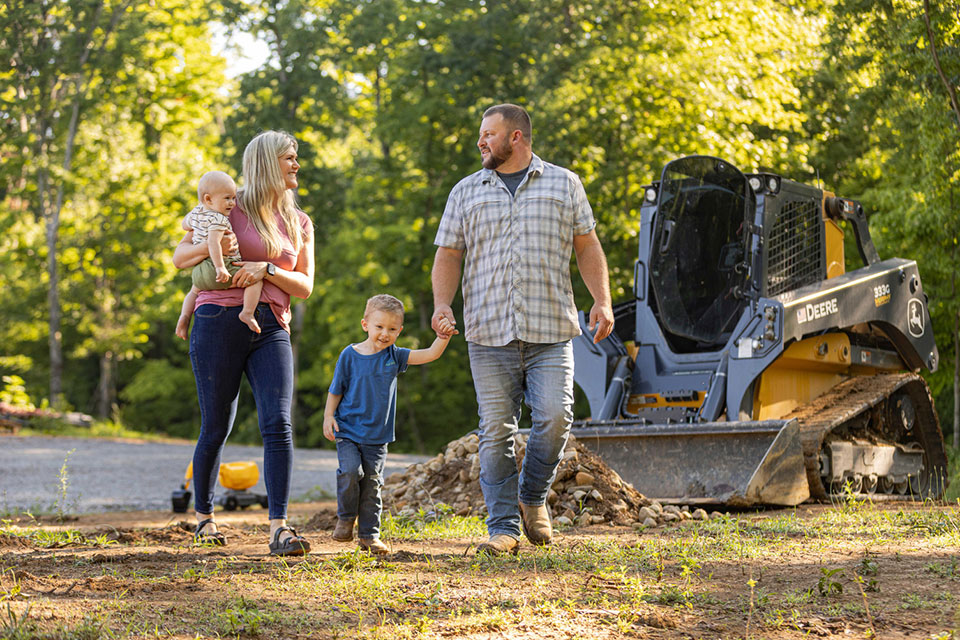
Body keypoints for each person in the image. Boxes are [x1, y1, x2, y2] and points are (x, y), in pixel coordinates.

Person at [431, 103, 614, 555]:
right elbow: (449, 253)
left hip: (550, 327)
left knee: (555, 418)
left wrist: (602, 299)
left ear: (516, 137)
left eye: (488, 135)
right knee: (495, 431)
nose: (481, 142)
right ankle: (503, 528)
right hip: (487, 330)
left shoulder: (564, 183)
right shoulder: (466, 191)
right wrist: (441, 304)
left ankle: (532, 498)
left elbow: (587, 245)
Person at [172, 130, 315, 556]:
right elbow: (181, 258)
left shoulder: (299, 221)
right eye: (290, 157)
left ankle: (279, 528)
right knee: (216, 424)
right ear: (269, 161)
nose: (296, 165)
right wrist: (212, 251)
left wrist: (265, 268)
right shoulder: (227, 202)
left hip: (271, 323)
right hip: (218, 318)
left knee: (279, 423)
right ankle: (204, 519)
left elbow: (304, 285)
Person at [323, 294, 455, 554]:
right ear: (365, 325)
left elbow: (429, 355)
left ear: (400, 331)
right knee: (351, 472)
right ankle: (346, 518)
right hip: (347, 430)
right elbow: (336, 389)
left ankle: (369, 536)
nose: (385, 334)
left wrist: (443, 337)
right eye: (379, 327)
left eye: (392, 329)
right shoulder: (349, 355)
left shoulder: (395, 357)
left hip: (377, 436)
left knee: (372, 484)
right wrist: (329, 416)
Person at [175, 171, 262, 340]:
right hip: (221, 268)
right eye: (227, 198)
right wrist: (220, 267)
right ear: (208, 199)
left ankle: (184, 317)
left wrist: (195, 219)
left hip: (199, 272)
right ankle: (248, 313)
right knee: (256, 279)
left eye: (233, 198)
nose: (232, 203)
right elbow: (213, 244)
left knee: (194, 291)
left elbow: (184, 225)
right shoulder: (219, 220)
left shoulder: (196, 213)